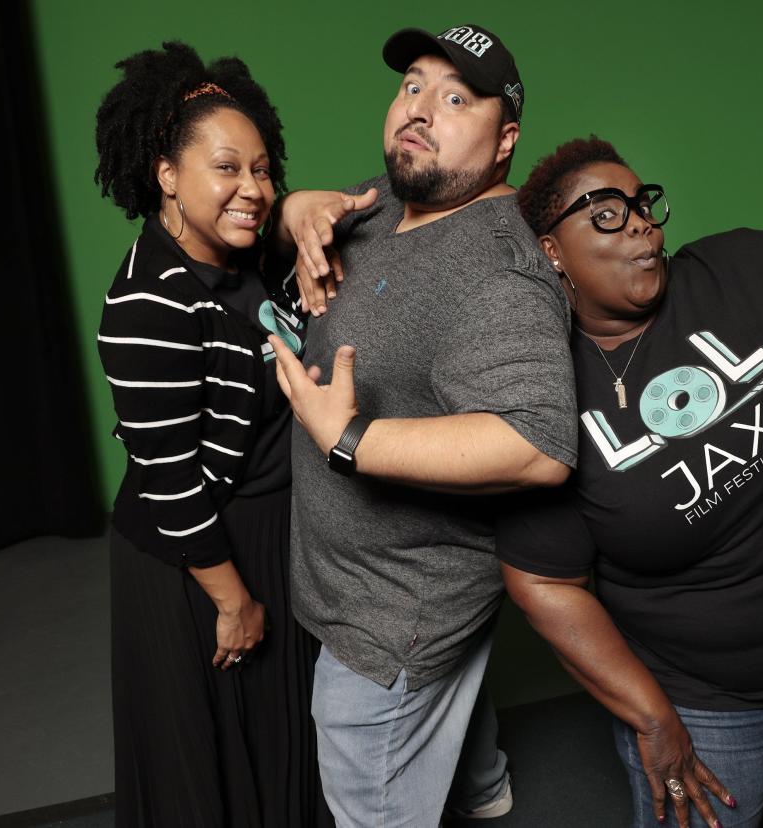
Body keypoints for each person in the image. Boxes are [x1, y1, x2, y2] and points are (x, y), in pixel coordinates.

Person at [499, 137, 763, 828]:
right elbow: (542, 581)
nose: (639, 222)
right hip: (713, 701)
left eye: (641, 203)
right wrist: (652, 715)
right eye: (604, 211)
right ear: (551, 251)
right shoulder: (543, 392)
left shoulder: (737, 266)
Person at [266, 24, 578, 828]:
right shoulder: (384, 204)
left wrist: (353, 439)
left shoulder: (499, 271)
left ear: (505, 141)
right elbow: (298, 229)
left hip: (395, 623)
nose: (419, 109)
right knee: (462, 725)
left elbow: (539, 444)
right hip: (364, 584)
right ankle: (483, 788)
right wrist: (298, 210)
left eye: (454, 98)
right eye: (412, 86)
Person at [94, 42, 330, 827]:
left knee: (279, 747)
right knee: (212, 771)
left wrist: (296, 211)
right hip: (197, 558)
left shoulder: (250, 257)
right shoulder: (148, 304)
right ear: (167, 174)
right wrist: (233, 601)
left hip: (269, 531)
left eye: (263, 170)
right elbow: (170, 479)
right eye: (227, 168)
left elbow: (334, 214)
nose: (253, 190)